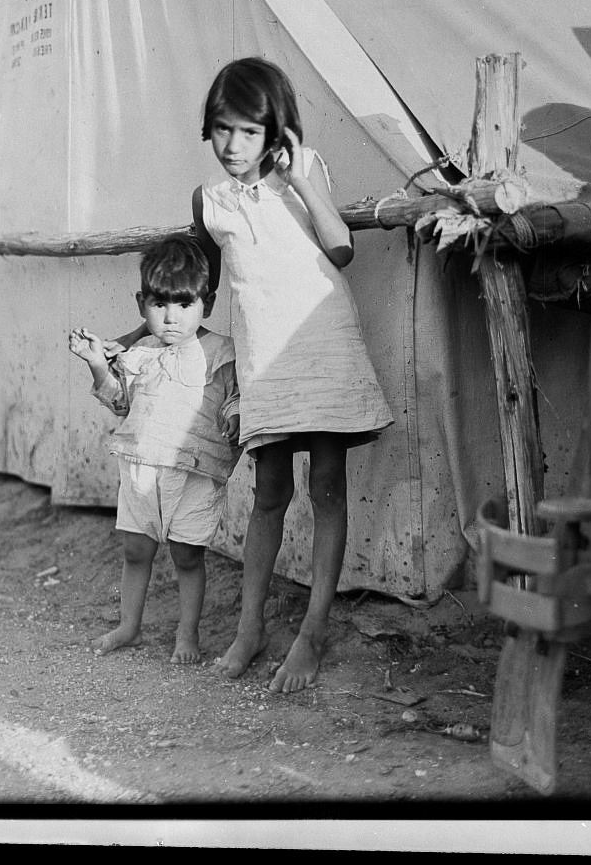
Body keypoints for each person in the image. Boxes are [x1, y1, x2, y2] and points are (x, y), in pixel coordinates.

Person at [192, 56, 394, 693]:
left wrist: (303, 180)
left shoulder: (306, 172)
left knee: (327, 485)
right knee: (270, 491)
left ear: (276, 131)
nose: (232, 145)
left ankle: (312, 632)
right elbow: (201, 291)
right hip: (264, 362)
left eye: (249, 131)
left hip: (323, 344)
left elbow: (341, 248)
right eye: (222, 129)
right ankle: (250, 626)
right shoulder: (209, 202)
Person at [69, 236, 241, 664]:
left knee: (186, 555)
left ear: (208, 302)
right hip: (141, 468)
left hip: (194, 474)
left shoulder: (219, 352)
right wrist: (95, 363)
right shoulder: (139, 353)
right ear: (141, 303)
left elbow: (238, 396)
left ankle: (188, 633)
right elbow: (120, 403)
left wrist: (236, 414)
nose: (170, 319)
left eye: (184, 305)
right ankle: (129, 626)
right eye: (159, 305)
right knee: (135, 549)